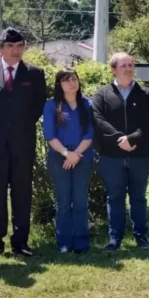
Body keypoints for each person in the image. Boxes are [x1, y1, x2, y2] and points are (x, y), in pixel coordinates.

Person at [0, 28, 46, 260]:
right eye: (10, 46)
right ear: (1, 48)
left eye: (20, 46)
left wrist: (18, 127)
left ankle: (20, 242)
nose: (15, 50)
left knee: (22, 192)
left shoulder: (34, 73)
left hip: (22, 142)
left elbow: (38, 106)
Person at [92, 53, 149, 252]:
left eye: (130, 65)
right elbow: (98, 120)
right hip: (111, 157)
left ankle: (141, 237)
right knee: (114, 198)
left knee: (139, 198)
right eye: (123, 65)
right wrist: (120, 139)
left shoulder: (146, 94)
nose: (128, 69)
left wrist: (132, 139)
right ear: (113, 70)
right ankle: (115, 239)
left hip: (140, 156)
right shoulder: (102, 94)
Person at [43, 68, 95, 254]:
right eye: (67, 80)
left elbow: (90, 133)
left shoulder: (87, 104)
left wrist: (75, 154)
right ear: (59, 84)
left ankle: (81, 241)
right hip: (59, 156)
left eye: (74, 79)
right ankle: (64, 242)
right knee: (63, 201)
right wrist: (67, 153)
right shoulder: (51, 105)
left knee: (80, 201)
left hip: (83, 155)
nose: (72, 83)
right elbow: (49, 135)